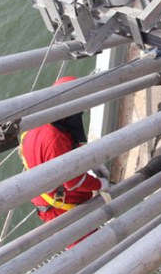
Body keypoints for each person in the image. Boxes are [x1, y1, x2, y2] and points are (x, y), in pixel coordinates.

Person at [19, 75, 109, 223]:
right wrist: (100, 184)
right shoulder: (54, 139)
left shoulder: (39, 124)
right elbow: (72, 180)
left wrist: (93, 162)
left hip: (54, 199)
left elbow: (68, 149)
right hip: (61, 209)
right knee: (90, 243)